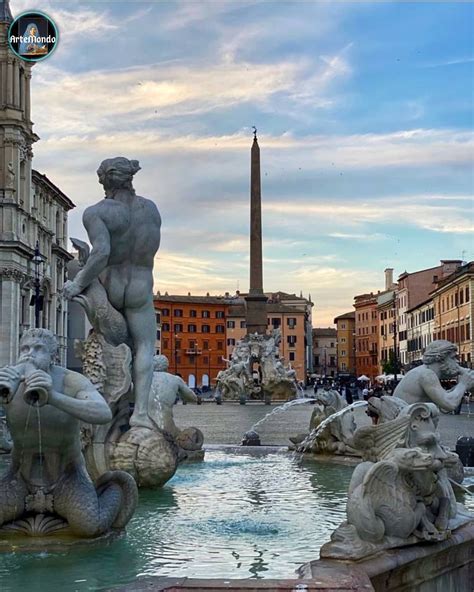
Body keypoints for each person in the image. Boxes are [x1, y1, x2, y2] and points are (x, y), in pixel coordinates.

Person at [0, 329, 136, 536]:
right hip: (20, 478)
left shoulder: (70, 381)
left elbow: (102, 413)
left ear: (54, 356)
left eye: (38, 349)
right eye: (25, 349)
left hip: (66, 476)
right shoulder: (9, 380)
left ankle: (112, 489)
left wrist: (53, 397)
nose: (29, 354)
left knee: (89, 527)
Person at [64, 157, 162, 430]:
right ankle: (140, 412)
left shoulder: (96, 212)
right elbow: (149, 250)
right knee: (144, 347)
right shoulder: (151, 210)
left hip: (111, 284)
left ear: (103, 181)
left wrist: (78, 283)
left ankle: (105, 411)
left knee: (104, 347)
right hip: (141, 285)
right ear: (130, 178)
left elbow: (102, 253)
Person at [393, 340, 474, 412]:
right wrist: (463, 384)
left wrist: (462, 386)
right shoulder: (427, 374)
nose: (457, 361)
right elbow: (449, 404)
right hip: (404, 425)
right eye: (453, 358)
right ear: (440, 358)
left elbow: (443, 406)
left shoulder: (423, 371)